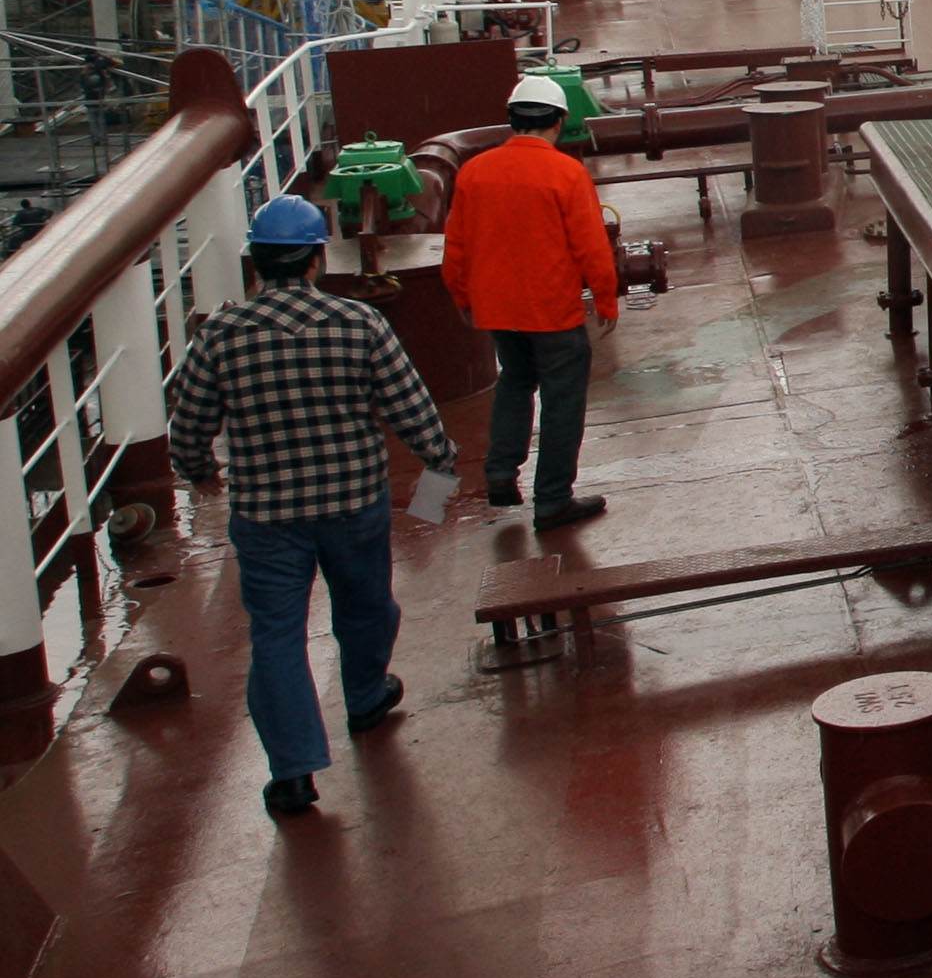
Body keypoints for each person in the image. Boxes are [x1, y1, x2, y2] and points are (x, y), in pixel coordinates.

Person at [167, 195, 458, 821]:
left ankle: (294, 772)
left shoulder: (220, 337)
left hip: (268, 517)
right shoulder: (359, 323)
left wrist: (201, 473)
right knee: (367, 606)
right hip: (354, 502)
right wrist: (439, 460)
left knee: (276, 636)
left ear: (257, 263)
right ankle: (364, 695)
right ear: (317, 259)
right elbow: (411, 407)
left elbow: (188, 428)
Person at [441, 74, 624, 530]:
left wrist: (463, 296)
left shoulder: (474, 172)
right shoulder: (566, 173)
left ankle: (501, 473)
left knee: (515, 382)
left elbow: (456, 246)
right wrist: (606, 299)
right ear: (559, 122)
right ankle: (553, 500)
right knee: (562, 400)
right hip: (552, 312)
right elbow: (591, 246)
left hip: (498, 310)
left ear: (511, 119)